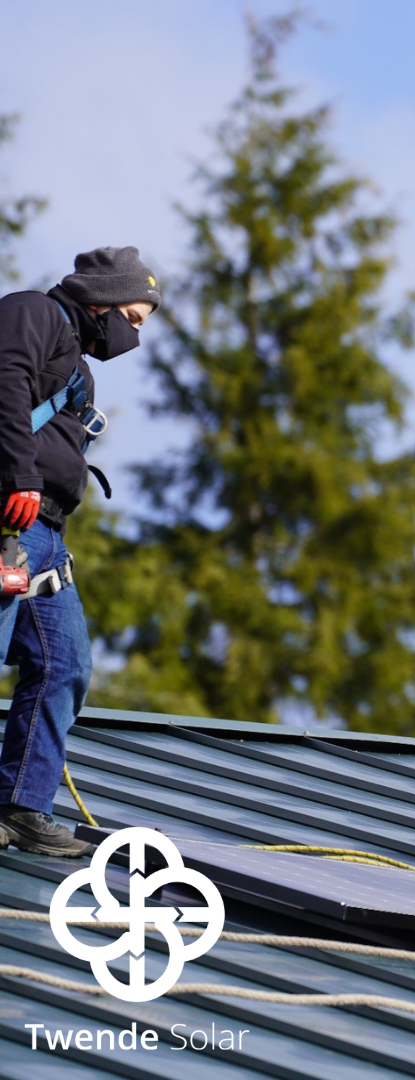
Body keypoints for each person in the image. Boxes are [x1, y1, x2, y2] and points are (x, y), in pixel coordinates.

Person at [0, 246, 160, 856]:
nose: (133, 336)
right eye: (134, 320)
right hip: (11, 516)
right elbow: (5, 385)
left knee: (65, 666)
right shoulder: (31, 315)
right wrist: (19, 477)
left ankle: (21, 807)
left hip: (45, 536)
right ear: (103, 302)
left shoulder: (78, 367)